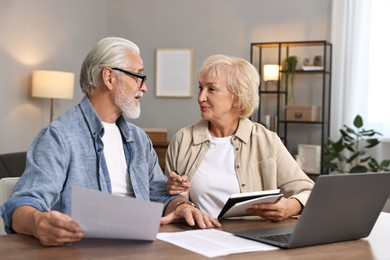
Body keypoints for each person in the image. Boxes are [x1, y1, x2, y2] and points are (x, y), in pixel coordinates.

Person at [0, 37, 220, 246]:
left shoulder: (138, 139)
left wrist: (180, 205)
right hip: (81, 249)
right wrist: (38, 224)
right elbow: (21, 205)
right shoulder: (59, 136)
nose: (144, 87)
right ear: (109, 77)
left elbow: (159, 194)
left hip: (142, 247)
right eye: (138, 76)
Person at [165, 54, 314, 222]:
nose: (201, 97)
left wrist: (290, 207)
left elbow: (308, 190)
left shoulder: (266, 141)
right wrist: (174, 193)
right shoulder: (183, 140)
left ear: (237, 97)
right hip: (198, 237)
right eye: (200, 88)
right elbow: (166, 200)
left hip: (252, 239)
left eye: (211, 89)